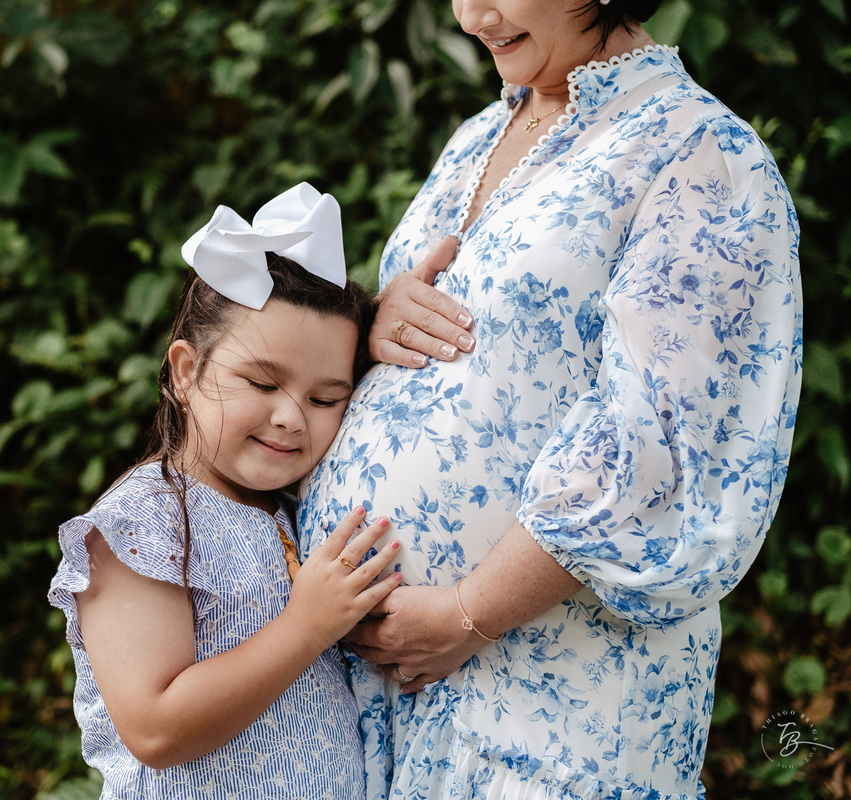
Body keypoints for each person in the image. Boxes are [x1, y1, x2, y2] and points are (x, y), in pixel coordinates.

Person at [297, 1, 803, 797]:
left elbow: (663, 446)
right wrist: (368, 321)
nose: (472, 15)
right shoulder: (475, 138)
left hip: (550, 692)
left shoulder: (701, 153)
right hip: (389, 693)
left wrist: (465, 614)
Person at [48, 183, 405, 799]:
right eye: (263, 384)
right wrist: (306, 626)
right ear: (187, 372)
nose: (293, 417)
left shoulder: (295, 511)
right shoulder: (144, 522)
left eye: (325, 398)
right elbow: (155, 729)